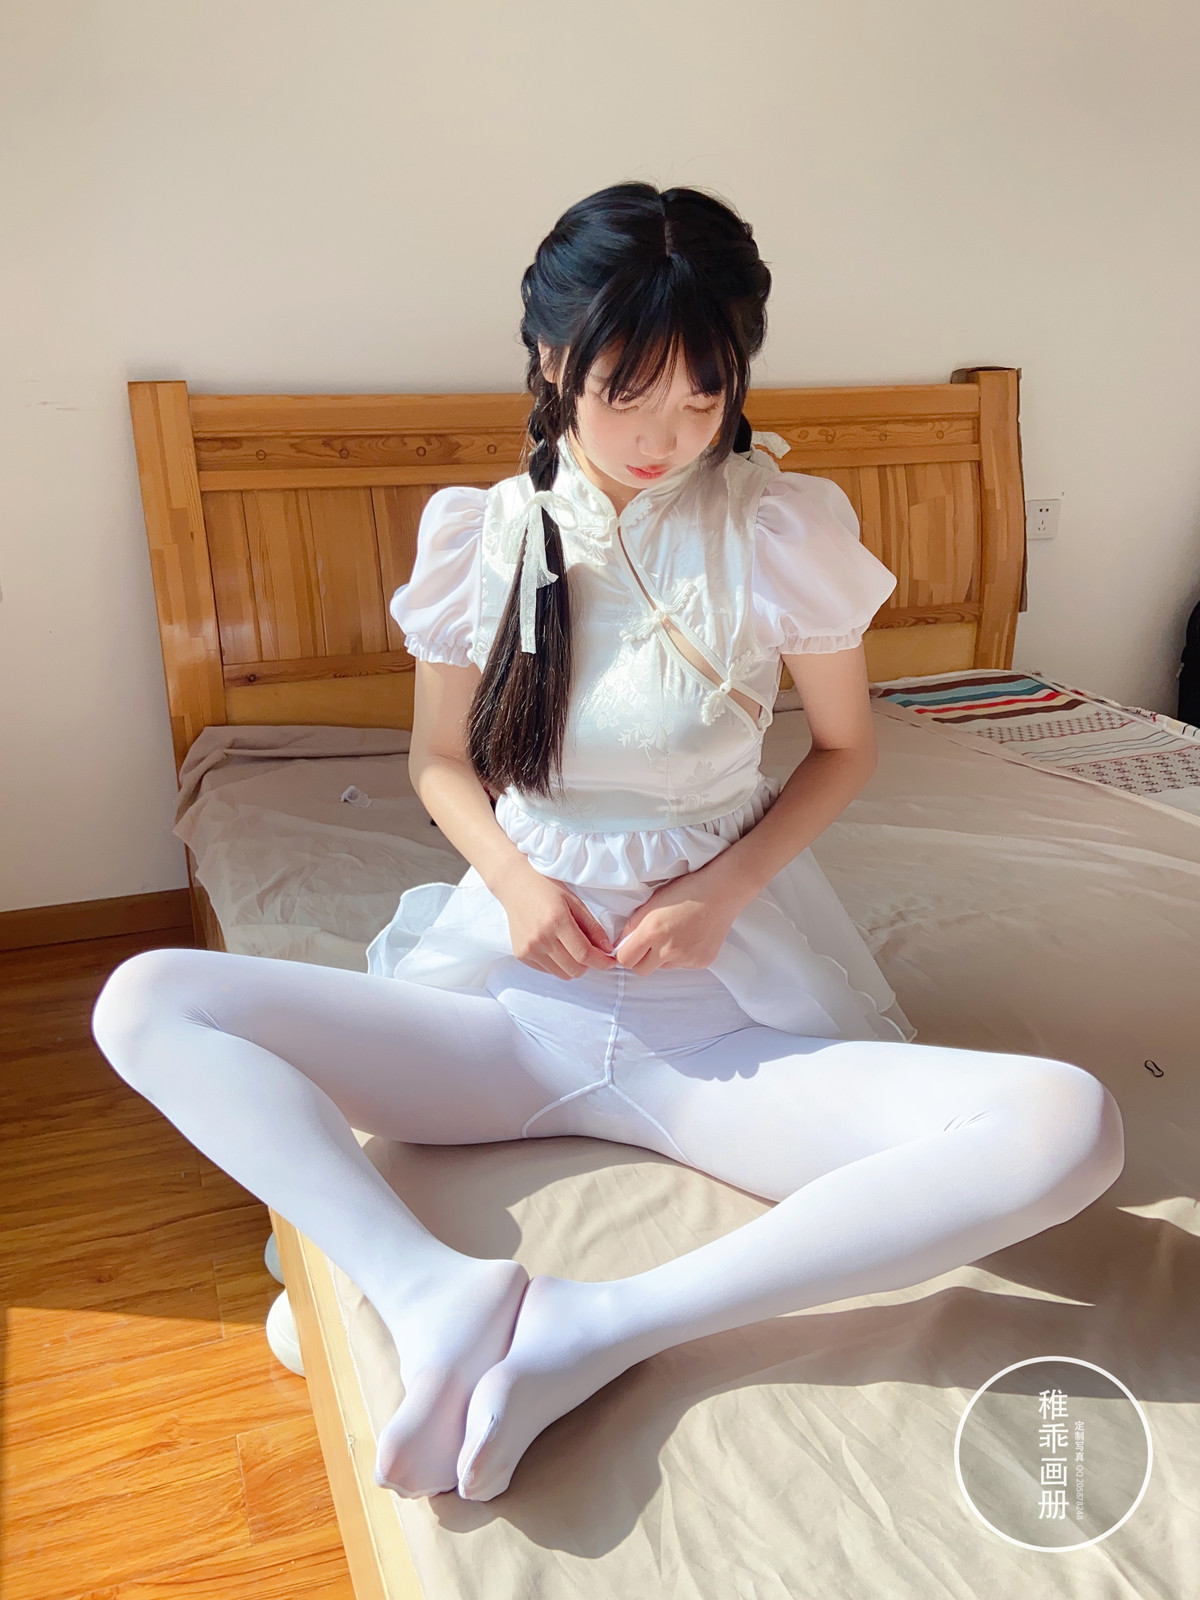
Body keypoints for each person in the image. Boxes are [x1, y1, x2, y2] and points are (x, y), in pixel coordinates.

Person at [91, 181, 1124, 1506]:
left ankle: (603, 1328)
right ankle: (430, 1290)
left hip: (717, 1023)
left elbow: (846, 747)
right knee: (146, 1001)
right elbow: (438, 761)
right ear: (550, 359)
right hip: (514, 1006)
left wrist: (722, 891)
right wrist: (517, 883)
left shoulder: (779, 526)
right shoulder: (481, 533)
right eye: (626, 392)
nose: (664, 435)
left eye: (702, 396)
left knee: (1070, 1124)